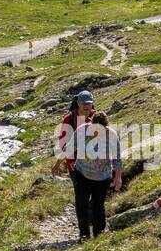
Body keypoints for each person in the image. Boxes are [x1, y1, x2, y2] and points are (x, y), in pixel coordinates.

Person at [52, 92, 122, 239]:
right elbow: (69, 148)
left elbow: (116, 158)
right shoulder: (82, 130)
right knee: (81, 205)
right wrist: (57, 164)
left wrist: (118, 177)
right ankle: (84, 235)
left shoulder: (112, 135)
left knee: (98, 206)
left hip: (102, 176)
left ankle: (99, 235)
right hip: (82, 173)